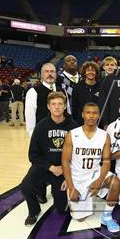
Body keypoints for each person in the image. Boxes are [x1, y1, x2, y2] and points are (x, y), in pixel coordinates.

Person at [62, 103, 120, 232]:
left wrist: (99, 181)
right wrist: (71, 187)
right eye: (88, 112)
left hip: (94, 173)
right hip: (78, 177)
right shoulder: (72, 135)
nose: (91, 116)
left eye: (95, 113)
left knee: (115, 183)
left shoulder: (104, 136)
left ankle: (107, 216)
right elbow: (65, 162)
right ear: (83, 115)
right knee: (81, 218)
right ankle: (84, 200)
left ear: (98, 115)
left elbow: (106, 162)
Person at [19, 92, 77, 226]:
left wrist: (67, 173)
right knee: (25, 186)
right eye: (53, 104)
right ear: (48, 107)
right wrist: (50, 167)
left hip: (62, 170)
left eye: (60, 104)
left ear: (64, 107)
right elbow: (32, 154)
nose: (57, 107)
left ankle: (54, 192)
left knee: (62, 209)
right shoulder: (41, 127)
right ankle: (33, 210)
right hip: (45, 167)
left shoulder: (73, 127)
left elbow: (77, 154)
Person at [25, 63, 68, 136]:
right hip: (42, 134)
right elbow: (30, 116)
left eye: (52, 71)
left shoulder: (63, 91)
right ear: (41, 75)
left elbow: (67, 112)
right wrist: (33, 135)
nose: (50, 74)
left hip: (62, 134)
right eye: (46, 71)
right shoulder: (33, 92)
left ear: (56, 74)